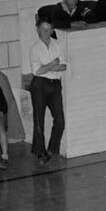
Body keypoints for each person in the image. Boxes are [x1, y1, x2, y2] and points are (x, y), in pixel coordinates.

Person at [29, 16, 67, 161]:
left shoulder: (58, 44)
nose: (46, 32)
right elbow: (37, 71)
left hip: (55, 85)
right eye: (43, 29)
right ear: (38, 29)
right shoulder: (34, 48)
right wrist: (53, 63)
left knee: (59, 120)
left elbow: (63, 66)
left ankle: (51, 149)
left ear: (52, 30)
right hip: (39, 84)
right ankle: (40, 151)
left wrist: (47, 66)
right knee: (39, 119)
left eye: (49, 29)